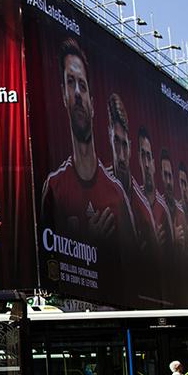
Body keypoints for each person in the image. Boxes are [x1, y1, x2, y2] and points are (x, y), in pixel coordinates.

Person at [40, 38, 135, 251]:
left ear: (92, 102)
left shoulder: (116, 193)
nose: (77, 93)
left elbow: (138, 268)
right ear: (63, 95)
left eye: (82, 85)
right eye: (71, 82)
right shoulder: (54, 188)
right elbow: (45, 259)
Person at [108, 94, 157, 259]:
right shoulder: (101, 181)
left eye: (124, 144)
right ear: (109, 138)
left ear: (129, 146)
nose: (121, 156)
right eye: (116, 142)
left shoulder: (142, 206)